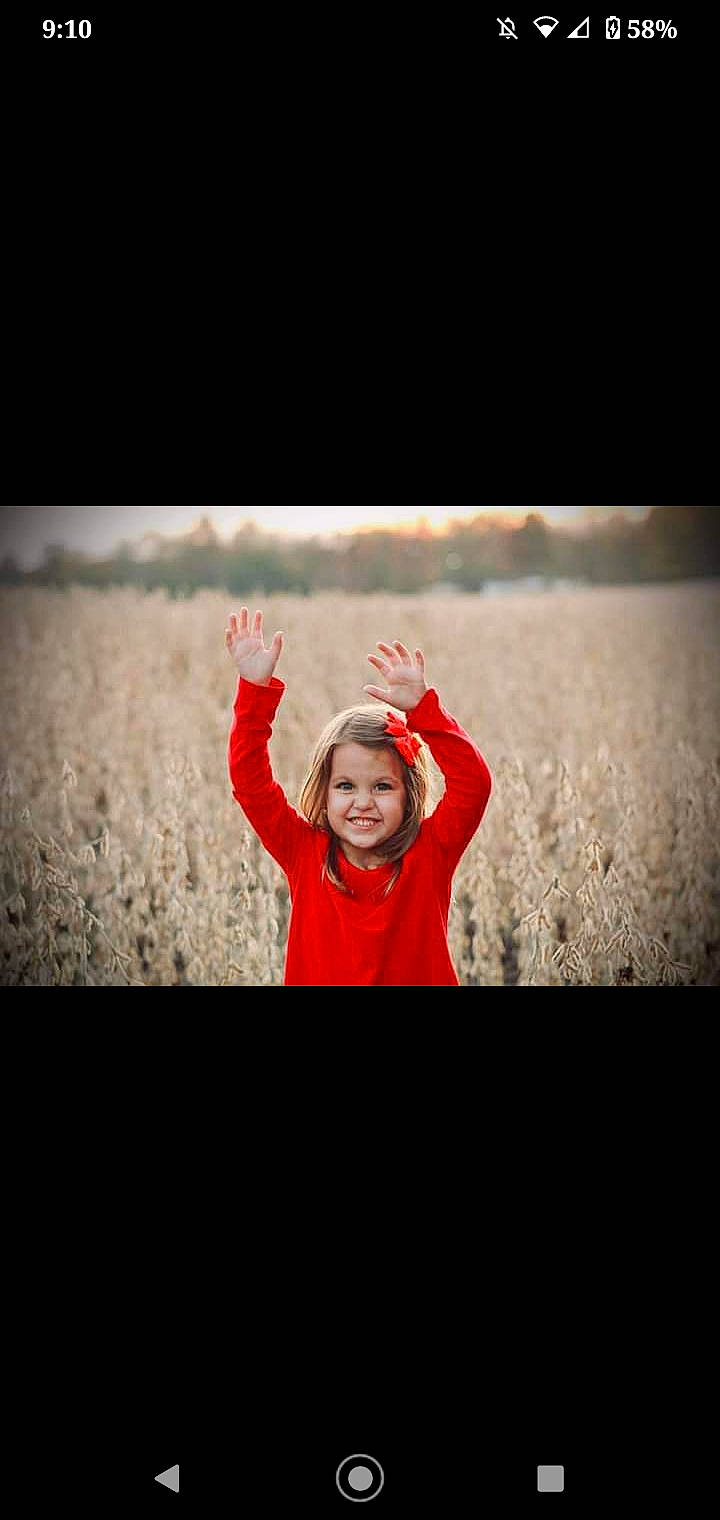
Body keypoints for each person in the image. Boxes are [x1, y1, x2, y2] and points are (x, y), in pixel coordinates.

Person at [226, 606, 493, 986]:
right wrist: (254, 691)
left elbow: (474, 784)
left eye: (382, 786)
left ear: (409, 794)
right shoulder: (304, 853)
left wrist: (424, 713)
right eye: (345, 786)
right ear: (324, 791)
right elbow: (250, 785)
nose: (363, 802)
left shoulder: (431, 852)